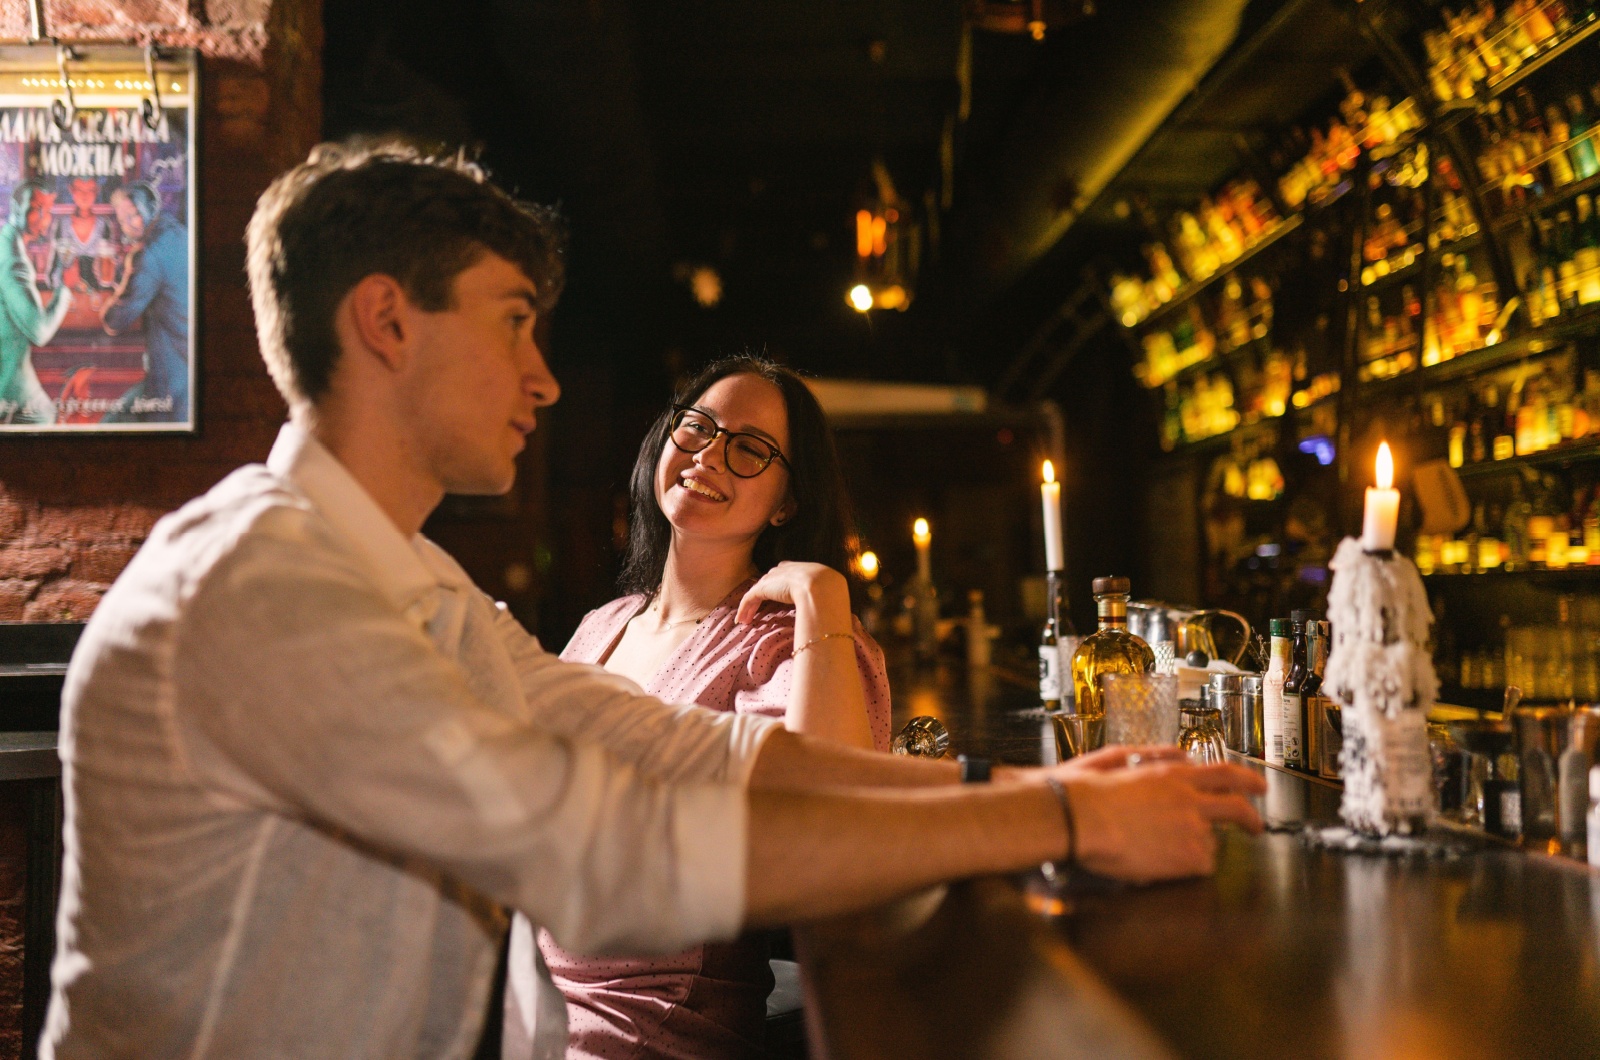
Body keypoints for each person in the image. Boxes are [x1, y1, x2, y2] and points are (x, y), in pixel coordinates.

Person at [44, 140, 1266, 1060]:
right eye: (515, 324)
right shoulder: (266, 585)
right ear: (386, 321)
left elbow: (682, 745)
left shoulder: (410, 579)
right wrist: (1056, 820)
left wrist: (1021, 787)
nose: (546, 378)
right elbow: (603, 847)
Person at [525, 355, 891, 1059]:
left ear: (788, 501)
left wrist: (825, 596)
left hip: (644, 1023)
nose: (710, 455)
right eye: (697, 428)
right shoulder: (605, 623)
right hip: (528, 995)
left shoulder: (788, 640)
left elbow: (837, 814)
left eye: (750, 448)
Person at [100, 181, 189, 423]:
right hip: (185, 367)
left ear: (152, 208)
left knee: (107, 428)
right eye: (122, 220)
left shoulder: (147, 253)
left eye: (135, 215)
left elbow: (114, 320)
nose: (128, 225)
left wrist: (121, 284)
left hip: (170, 381)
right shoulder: (179, 233)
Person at [0, 180, 72, 425]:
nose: (43, 218)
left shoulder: (6, 243)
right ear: (15, 207)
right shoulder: (12, 260)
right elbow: (39, 332)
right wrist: (65, 289)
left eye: (48, 211)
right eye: (35, 208)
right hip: (10, 386)